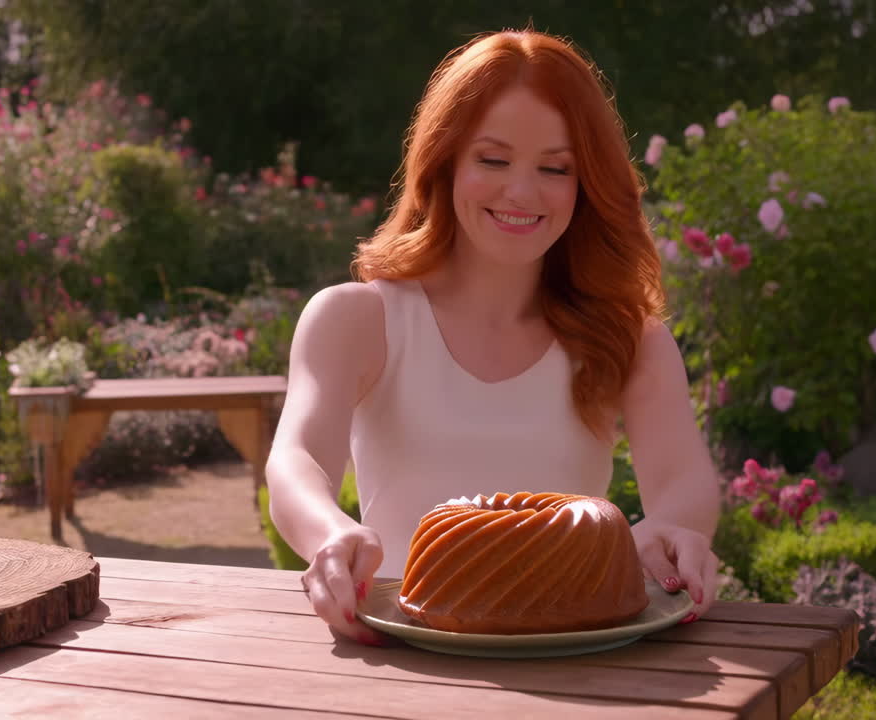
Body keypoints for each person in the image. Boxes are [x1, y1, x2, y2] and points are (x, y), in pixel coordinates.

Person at [265, 28, 721, 647]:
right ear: (444, 159)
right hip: (402, 656)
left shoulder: (629, 339)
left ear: (586, 182)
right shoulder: (355, 320)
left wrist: (670, 529)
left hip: (579, 662)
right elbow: (297, 460)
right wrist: (328, 533)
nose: (523, 192)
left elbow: (685, 484)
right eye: (493, 159)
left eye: (555, 168)